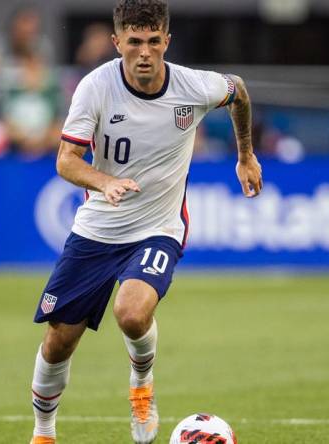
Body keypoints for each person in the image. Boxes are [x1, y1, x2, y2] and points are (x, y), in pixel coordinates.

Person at [28, 1, 262, 443]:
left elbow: (239, 91)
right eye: (134, 42)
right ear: (117, 43)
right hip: (97, 229)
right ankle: (44, 432)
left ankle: (142, 386)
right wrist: (104, 182)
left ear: (166, 42)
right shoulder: (95, 88)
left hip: (159, 227)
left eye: (153, 42)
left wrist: (245, 154)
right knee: (59, 341)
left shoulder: (192, 86)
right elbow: (66, 160)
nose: (144, 52)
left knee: (132, 313)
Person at [0, 3, 62, 159]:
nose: (29, 33)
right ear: (15, 27)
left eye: (33, 29)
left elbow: (51, 99)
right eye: (25, 27)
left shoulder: (42, 47)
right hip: (6, 122)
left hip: (40, 124)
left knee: (66, 135)